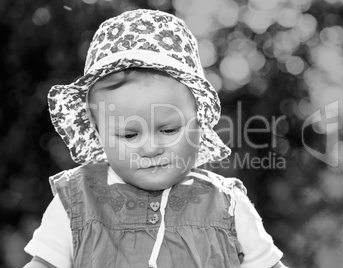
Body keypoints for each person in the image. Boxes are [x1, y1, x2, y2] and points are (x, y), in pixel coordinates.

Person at [23, 9, 289, 268]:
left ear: (199, 123)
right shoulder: (77, 200)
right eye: (129, 134)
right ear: (97, 131)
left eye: (169, 130)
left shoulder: (227, 205)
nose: (150, 148)